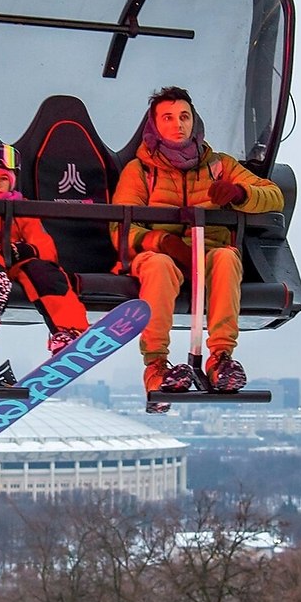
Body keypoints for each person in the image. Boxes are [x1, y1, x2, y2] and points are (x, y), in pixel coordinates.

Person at [111, 86, 283, 406]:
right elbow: (120, 227)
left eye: (184, 116)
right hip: (160, 256)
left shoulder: (218, 166)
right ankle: (157, 366)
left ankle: (220, 360)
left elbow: (274, 195)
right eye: (168, 117)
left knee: (227, 258)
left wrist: (240, 194)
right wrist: (163, 241)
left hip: (206, 253)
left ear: (194, 121)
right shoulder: (141, 172)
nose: (178, 124)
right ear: (154, 125)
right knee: (159, 266)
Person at [0, 141, 90, 353]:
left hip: (17, 261)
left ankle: (69, 330)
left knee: (46, 274)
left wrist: (27, 250)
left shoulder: (21, 207)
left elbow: (44, 245)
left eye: (3, 179)